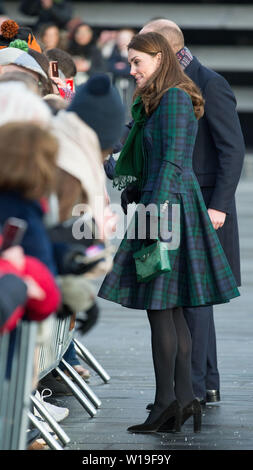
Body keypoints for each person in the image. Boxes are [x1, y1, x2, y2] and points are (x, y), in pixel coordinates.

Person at [98, 32, 240, 434]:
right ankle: (181, 399)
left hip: (167, 210)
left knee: (162, 311)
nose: (132, 70)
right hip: (165, 208)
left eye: (138, 62)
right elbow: (146, 158)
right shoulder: (157, 100)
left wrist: (152, 221)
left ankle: (168, 403)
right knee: (170, 310)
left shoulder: (175, 97)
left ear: (160, 58)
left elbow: (173, 163)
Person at [139, 19, 245, 405]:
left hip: (202, 209)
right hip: (180, 207)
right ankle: (205, 382)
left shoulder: (209, 82)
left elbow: (232, 151)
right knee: (194, 299)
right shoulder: (162, 86)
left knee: (192, 299)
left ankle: (194, 390)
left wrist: (218, 206)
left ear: (163, 50)